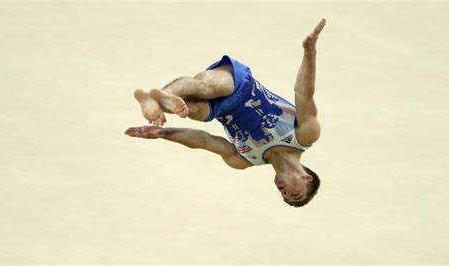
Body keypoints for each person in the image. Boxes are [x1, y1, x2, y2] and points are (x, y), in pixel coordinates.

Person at [125, 19, 326, 207]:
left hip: (217, 110)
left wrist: (163, 133)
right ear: (306, 177)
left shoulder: (245, 160)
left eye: (284, 197)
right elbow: (303, 92)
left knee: (194, 111)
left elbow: (205, 141)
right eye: (294, 194)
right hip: (239, 84)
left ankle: (158, 101)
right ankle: (163, 97)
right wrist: (310, 52)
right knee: (209, 89)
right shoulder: (305, 135)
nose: (285, 194)